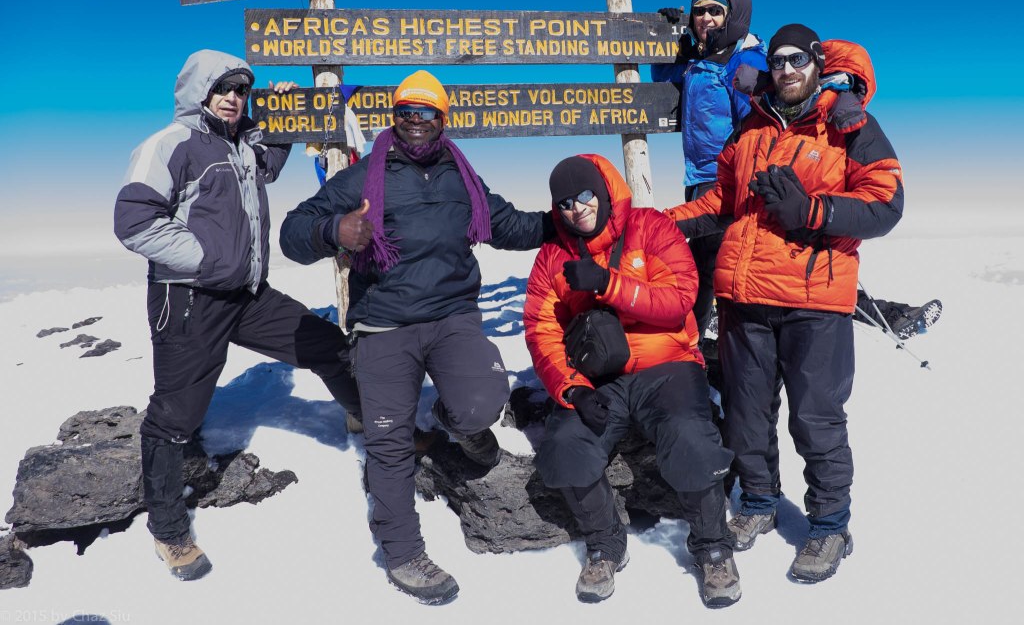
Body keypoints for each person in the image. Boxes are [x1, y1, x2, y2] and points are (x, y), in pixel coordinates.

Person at [278, 69, 551, 605]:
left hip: (452, 316)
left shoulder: (461, 176)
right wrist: (333, 230)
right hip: (384, 324)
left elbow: (511, 225)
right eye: (406, 111)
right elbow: (292, 232)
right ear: (394, 117)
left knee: (482, 402)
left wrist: (569, 220)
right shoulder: (364, 176)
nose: (416, 121)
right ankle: (402, 553)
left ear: (443, 119)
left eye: (427, 112)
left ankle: (459, 424)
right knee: (388, 440)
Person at [665, 26, 904, 583]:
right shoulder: (752, 126)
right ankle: (758, 502)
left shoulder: (848, 124)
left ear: (817, 63)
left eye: (797, 59)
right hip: (746, 297)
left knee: (816, 419)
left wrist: (813, 212)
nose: (787, 69)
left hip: (813, 301)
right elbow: (723, 200)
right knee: (746, 414)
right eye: (778, 61)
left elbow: (885, 203)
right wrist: (655, 224)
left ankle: (830, 525)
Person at [114, 50, 361, 581]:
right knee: (175, 418)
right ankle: (168, 529)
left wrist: (287, 119)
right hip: (189, 298)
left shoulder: (243, 143)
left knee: (327, 345)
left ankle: (364, 418)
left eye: (241, 90)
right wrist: (206, 261)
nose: (233, 98)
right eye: (222, 88)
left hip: (247, 296)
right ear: (199, 90)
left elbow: (267, 166)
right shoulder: (169, 144)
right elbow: (134, 221)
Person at [524, 154, 741, 608]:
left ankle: (712, 547)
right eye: (565, 203)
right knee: (564, 445)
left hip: (668, 365)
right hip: (599, 378)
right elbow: (541, 330)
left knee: (691, 438)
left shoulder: (651, 227)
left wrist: (607, 283)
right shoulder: (552, 257)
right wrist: (572, 388)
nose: (577, 209)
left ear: (604, 192)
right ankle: (605, 544)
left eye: (585, 195)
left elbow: (679, 298)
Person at [652, 0, 767, 345]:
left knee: (708, 266)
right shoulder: (701, 59)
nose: (705, 18)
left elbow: (756, 127)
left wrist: (739, 179)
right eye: (698, 11)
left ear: (733, 14)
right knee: (706, 265)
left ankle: (696, 345)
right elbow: (663, 80)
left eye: (715, 10)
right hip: (698, 179)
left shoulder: (743, 61)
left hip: (727, 182)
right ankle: (700, 344)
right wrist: (670, 38)